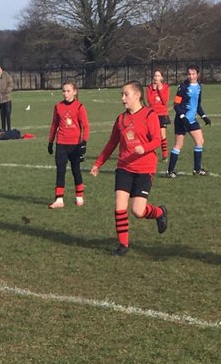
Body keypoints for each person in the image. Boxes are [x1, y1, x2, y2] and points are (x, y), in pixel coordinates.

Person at [89, 81, 168, 255]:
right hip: (124, 167)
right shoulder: (121, 119)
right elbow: (111, 144)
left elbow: (157, 140)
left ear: (137, 95)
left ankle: (160, 212)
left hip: (144, 169)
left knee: (138, 211)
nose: (123, 98)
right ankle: (123, 245)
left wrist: (144, 148)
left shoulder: (149, 115)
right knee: (120, 207)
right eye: (122, 95)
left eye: (126, 94)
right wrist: (98, 164)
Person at [47, 81, 90, 208]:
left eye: (68, 91)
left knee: (76, 170)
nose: (65, 94)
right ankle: (59, 199)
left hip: (75, 144)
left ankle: (79, 196)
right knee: (60, 171)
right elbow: (54, 125)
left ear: (74, 92)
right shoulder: (58, 106)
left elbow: (85, 126)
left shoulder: (79, 107)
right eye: (63, 91)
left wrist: (84, 142)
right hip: (61, 143)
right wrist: (50, 142)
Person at [167, 65, 211, 178]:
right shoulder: (183, 87)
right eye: (189, 74)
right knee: (178, 144)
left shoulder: (199, 87)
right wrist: (182, 117)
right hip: (182, 120)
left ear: (197, 75)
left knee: (200, 141)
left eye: (193, 74)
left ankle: (197, 169)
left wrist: (204, 116)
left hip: (192, 119)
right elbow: (176, 105)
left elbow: (197, 104)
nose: (191, 76)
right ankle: (170, 171)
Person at [145, 70, 171, 159]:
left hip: (162, 114)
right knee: (152, 135)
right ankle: (151, 154)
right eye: (155, 76)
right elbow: (150, 101)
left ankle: (165, 155)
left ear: (161, 77)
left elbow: (165, 101)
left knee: (162, 135)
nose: (156, 78)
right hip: (152, 114)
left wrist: (160, 90)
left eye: (158, 76)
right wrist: (154, 89)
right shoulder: (149, 88)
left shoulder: (166, 87)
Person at [0, 64, 16, 132]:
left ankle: (9, 128)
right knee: (2, 114)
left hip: (7, 98)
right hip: (0, 99)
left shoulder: (6, 76)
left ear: (1, 69)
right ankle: (3, 128)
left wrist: (7, 90)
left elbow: (11, 84)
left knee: (7, 113)